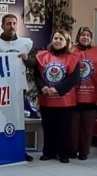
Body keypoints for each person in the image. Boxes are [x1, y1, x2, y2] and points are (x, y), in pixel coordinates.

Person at [27, 30, 80, 163]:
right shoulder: (42, 55)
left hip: (65, 101)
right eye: (55, 38)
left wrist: (57, 89)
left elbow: (74, 78)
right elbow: (37, 75)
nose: (57, 41)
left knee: (64, 128)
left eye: (61, 39)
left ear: (67, 42)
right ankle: (49, 152)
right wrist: (43, 87)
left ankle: (63, 153)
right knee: (48, 126)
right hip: (47, 100)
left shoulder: (73, 57)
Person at [0, 14, 34, 161]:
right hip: (0, 89)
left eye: (14, 23)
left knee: (18, 120)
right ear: (2, 26)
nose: (12, 26)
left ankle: (19, 150)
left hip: (18, 88)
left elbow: (33, 63)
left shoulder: (26, 43)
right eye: (8, 23)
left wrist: (27, 59)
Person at [72, 26, 97, 160]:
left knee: (87, 126)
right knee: (73, 126)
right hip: (73, 96)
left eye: (88, 35)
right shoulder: (70, 50)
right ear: (78, 37)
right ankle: (72, 150)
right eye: (83, 35)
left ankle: (84, 152)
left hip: (91, 96)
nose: (85, 37)